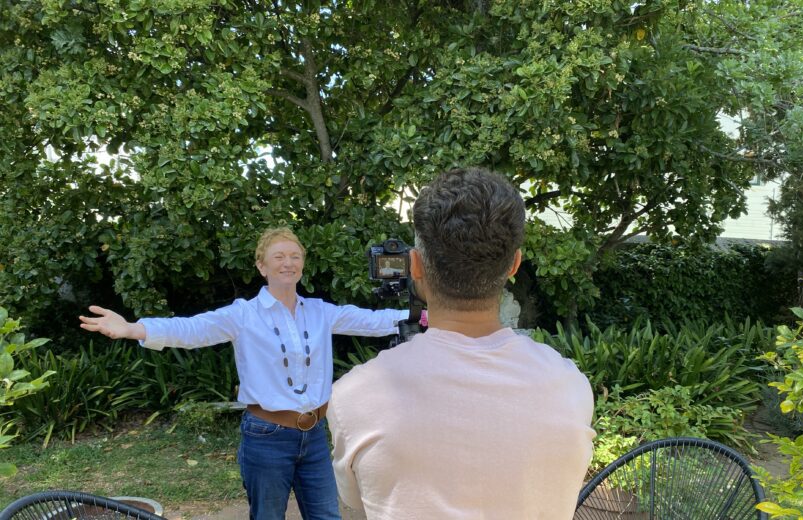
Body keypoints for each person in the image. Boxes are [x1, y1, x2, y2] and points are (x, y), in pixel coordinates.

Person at [79, 227, 407, 520]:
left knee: (326, 515)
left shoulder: (321, 311)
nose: (288, 263)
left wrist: (427, 315)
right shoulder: (244, 315)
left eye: (295, 256)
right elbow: (192, 329)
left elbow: (372, 321)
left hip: (316, 435)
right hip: (266, 436)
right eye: (279, 256)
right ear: (262, 266)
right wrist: (133, 329)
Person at [327, 167, 596, 519]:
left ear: (415, 265)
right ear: (514, 264)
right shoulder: (570, 386)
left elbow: (356, 502)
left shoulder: (354, 395)